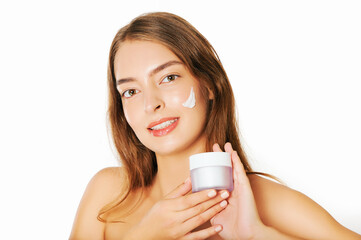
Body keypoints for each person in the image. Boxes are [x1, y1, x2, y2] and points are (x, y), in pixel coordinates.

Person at [69, 12, 361, 240]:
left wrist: (257, 235)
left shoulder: (268, 201)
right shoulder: (107, 195)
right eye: (131, 91)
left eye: (168, 78)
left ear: (208, 84)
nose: (151, 104)